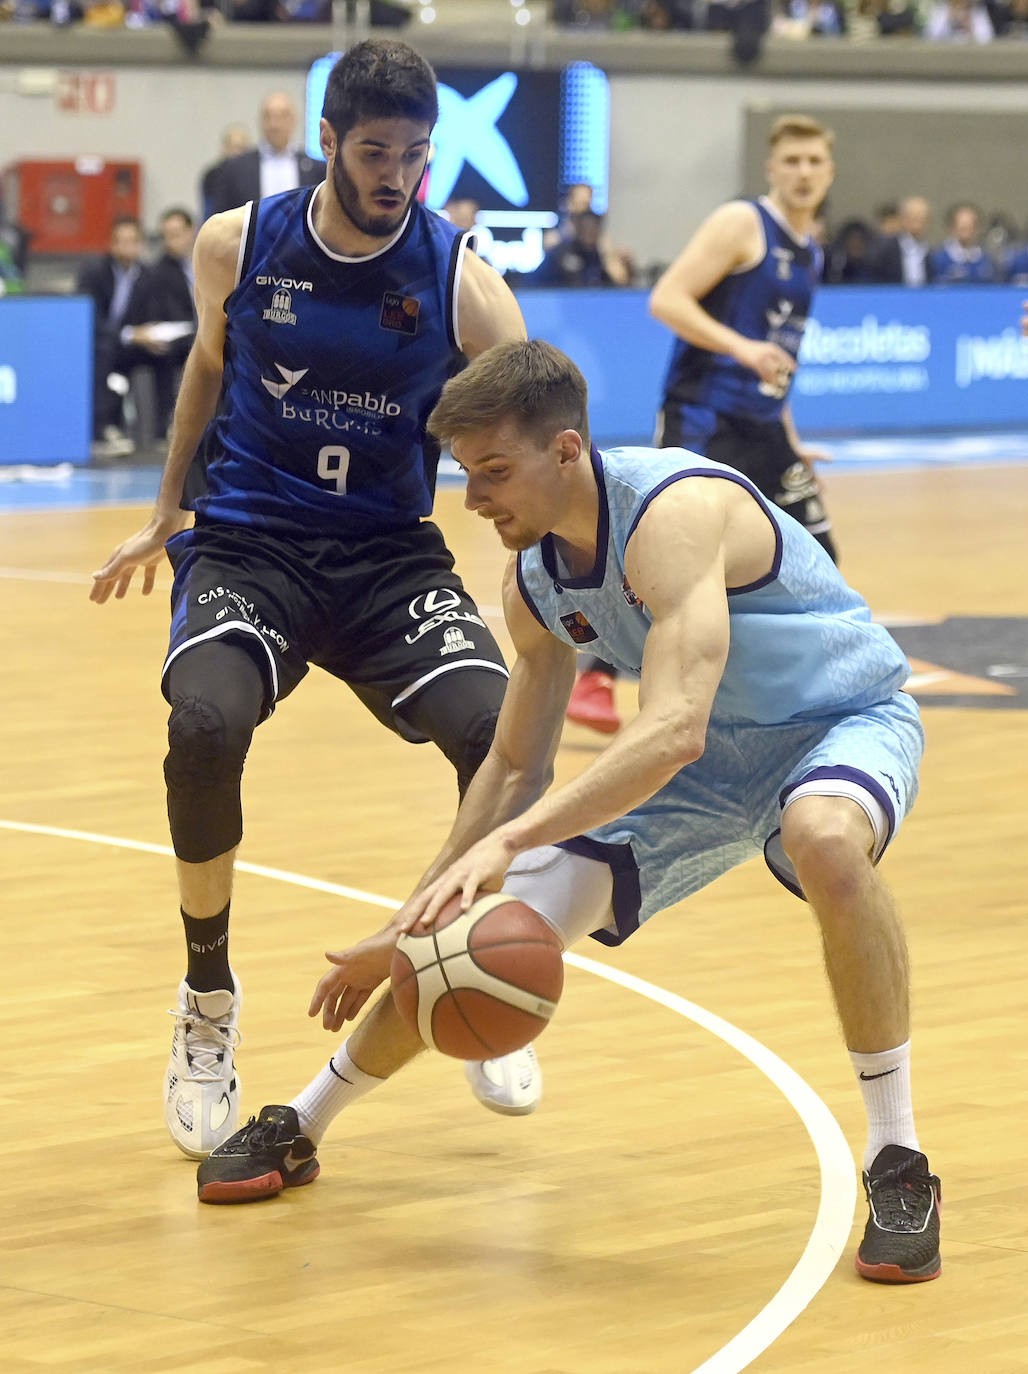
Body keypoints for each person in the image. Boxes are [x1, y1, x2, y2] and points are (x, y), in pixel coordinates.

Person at [195, 338, 942, 1288]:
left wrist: (513, 839)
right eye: (466, 475)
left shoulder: (674, 513)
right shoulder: (534, 581)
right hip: (712, 769)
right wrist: (406, 924)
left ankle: (898, 1160)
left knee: (826, 837)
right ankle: (302, 1124)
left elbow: (671, 727)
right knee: (469, 942)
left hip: (840, 719)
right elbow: (512, 767)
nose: (475, 500)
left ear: (568, 450)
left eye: (494, 470)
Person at [89, 38, 542, 1161]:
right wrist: (164, 510)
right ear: (328, 140)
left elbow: (524, 431)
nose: (395, 175)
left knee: (498, 734)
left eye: (415, 156)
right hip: (253, 547)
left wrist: (532, 564)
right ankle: (206, 1004)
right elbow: (205, 366)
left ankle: (469, 961)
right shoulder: (238, 243)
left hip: (389, 560)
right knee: (202, 727)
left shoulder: (461, 282)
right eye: (376, 151)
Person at [568, 113, 835, 735]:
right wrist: (742, 350)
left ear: (829, 173)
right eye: (791, 161)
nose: (802, 172)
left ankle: (770, 696)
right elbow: (666, 299)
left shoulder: (812, 249)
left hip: (762, 426)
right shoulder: (744, 223)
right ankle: (594, 677)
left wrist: (791, 440)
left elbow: (778, 358)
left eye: (814, 162)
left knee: (816, 552)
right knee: (671, 558)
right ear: (771, 169)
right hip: (705, 416)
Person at [120, 207, 198, 445]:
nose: (171, 241)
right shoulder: (160, 272)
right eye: (166, 235)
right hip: (181, 336)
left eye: (176, 234)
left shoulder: (204, 262)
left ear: (190, 232)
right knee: (165, 352)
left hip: (205, 332)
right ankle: (164, 426)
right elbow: (166, 314)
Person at [76, 215, 146, 460]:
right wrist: (127, 334)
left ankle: (164, 430)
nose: (128, 247)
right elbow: (88, 316)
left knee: (169, 353)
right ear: (112, 244)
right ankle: (102, 429)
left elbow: (150, 312)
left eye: (133, 241)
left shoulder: (146, 274)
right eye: (122, 241)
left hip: (132, 343)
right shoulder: (94, 271)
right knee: (104, 352)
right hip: (97, 340)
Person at [206, 91, 324, 216]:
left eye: (282, 116)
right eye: (268, 117)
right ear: (260, 121)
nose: (274, 125)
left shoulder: (316, 170)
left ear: (294, 120)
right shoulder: (235, 169)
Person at [867, 195, 933, 286]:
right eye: (914, 218)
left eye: (923, 219)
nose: (918, 224)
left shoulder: (929, 251)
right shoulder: (885, 249)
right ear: (903, 219)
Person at [928, 202, 995, 284]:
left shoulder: (986, 258)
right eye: (962, 227)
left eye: (970, 227)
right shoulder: (938, 258)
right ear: (952, 228)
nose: (966, 232)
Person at [199, 124, 252, 222]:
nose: (237, 152)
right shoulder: (212, 176)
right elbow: (208, 211)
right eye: (233, 147)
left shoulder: (252, 175)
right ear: (225, 148)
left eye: (241, 148)